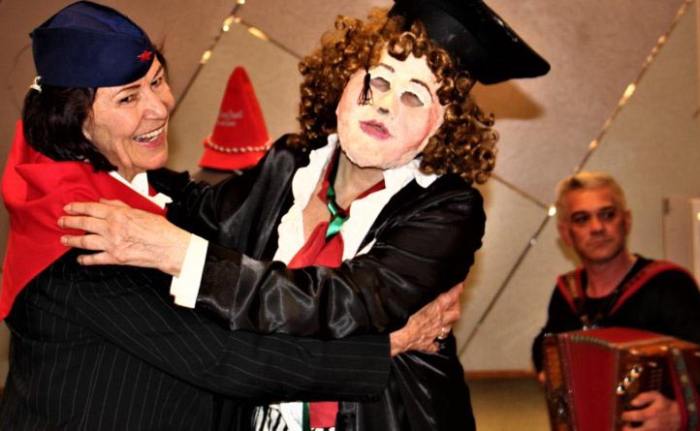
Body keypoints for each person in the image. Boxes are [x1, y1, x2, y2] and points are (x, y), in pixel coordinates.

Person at [61, 0, 550, 429]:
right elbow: (202, 209)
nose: (384, 106)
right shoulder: (291, 162)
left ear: (442, 127)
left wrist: (184, 256)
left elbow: (339, 302)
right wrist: (99, 148)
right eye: (377, 81)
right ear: (344, 78)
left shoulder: (447, 209)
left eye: (413, 97)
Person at [532, 171, 700, 431]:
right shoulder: (567, 293)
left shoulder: (669, 285)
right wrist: (551, 374)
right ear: (566, 234)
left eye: (607, 214)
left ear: (627, 221)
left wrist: (682, 414)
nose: (597, 227)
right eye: (582, 219)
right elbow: (544, 345)